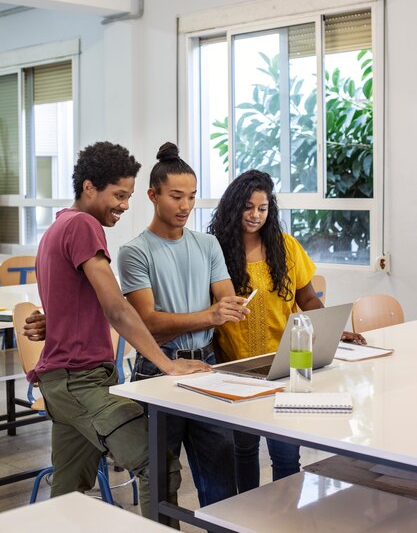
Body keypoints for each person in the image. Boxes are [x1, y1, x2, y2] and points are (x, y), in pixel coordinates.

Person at [25, 141, 209, 520]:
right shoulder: (84, 225)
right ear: (89, 187)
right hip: (81, 383)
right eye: (119, 195)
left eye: (127, 195)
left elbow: (74, 299)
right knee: (159, 465)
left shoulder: (57, 226)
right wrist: (167, 363)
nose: (125, 205)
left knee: (67, 494)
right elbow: (117, 308)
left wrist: (54, 321)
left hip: (64, 381)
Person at [208, 169, 365, 492]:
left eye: (262, 209)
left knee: (285, 453)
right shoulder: (215, 249)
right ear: (233, 206)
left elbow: (307, 298)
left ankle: (284, 521)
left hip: (289, 364)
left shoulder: (286, 246)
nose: (255, 215)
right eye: (247, 207)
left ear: (271, 210)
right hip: (237, 368)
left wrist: (333, 330)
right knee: (245, 449)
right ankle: (247, 516)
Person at [117, 142, 249, 507]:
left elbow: (226, 299)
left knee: (221, 481)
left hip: (208, 364)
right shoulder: (135, 252)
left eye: (191, 197)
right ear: (152, 195)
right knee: (160, 482)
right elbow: (150, 326)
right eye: (176, 196)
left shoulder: (207, 245)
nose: (186, 206)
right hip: (158, 367)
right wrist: (208, 315)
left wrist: (224, 310)